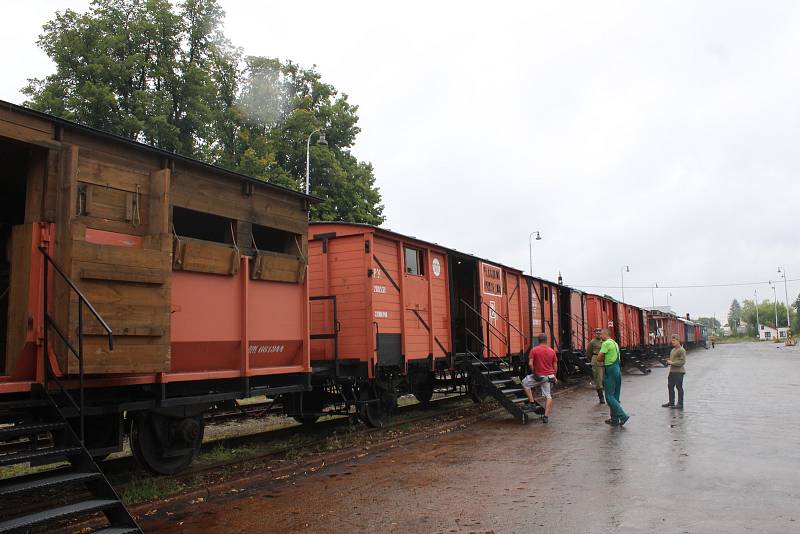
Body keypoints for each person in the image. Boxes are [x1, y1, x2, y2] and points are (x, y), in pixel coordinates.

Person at [521, 333, 558, 423]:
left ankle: (532, 403)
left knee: (525, 383)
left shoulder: (534, 350)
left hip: (539, 375)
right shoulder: (552, 351)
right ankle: (545, 417)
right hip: (549, 376)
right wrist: (554, 376)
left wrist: (534, 372)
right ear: (546, 340)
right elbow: (555, 365)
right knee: (548, 396)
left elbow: (530, 364)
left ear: (538, 340)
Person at [599, 328, 629, 426]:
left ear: (605, 334)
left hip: (610, 370)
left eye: (601, 335)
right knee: (615, 396)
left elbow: (599, 357)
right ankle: (614, 419)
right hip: (617, 370)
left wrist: (603, 358)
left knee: (609, 396)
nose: (600, 336)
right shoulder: (615, 343)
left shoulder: (606, 343)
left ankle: (623, 416)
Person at [662, 334, 686, 409]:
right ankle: (671, 402)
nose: (672, 342)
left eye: (674, 340)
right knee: (670, 386)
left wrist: (672, 363)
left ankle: (680, 404)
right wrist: (668, 361)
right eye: (672, 340)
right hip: (672, 371)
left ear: (678, 341)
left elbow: (682, 362)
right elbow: (673, 360)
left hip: (679, 372)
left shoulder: (681, 350)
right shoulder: (673, 350)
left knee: (679, 387)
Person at [587, 328, 605, 404]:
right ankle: (601, 398)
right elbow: (589, 353)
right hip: (597, 361)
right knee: (598, 380)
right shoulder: (592, 342)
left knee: (606, 380)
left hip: (605, 361)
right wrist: (593, 360)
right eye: (597, 333)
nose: (598, 334)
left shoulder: (605, 341)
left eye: (600, 333)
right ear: (594, 334)